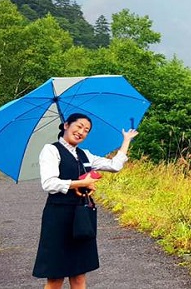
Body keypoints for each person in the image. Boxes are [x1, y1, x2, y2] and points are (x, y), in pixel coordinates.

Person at [32, 112, 139, 289]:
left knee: (79, 273)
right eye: (79, 126)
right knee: (55, 276)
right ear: (66, 125)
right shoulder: (51, 150)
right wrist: (81, 183)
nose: (82, 131)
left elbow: (114, 166)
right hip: (58, 216)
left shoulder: (85, 154)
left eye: (86, 130)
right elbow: (49, 183)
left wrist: (126, 140)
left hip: (81, 215)